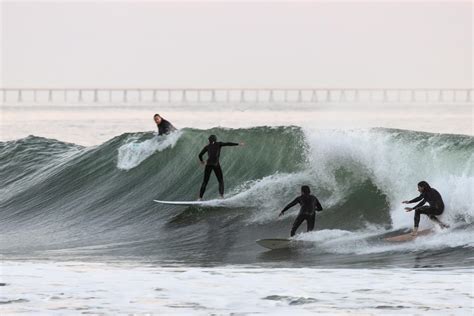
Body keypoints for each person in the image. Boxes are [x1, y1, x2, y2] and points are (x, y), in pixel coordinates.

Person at [198, 135, 244, 200]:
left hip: (208, 164)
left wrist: (202, 161)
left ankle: (200, 198)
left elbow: (200, 155)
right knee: (220, 181)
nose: (208, 141)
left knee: (205, 182)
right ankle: (221, 196)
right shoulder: (219, 144)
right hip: (215, 164)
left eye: (208, 140)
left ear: (210, 140)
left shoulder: (207, 146)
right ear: (215, 140)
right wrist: (238, 144)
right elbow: (228, 143)